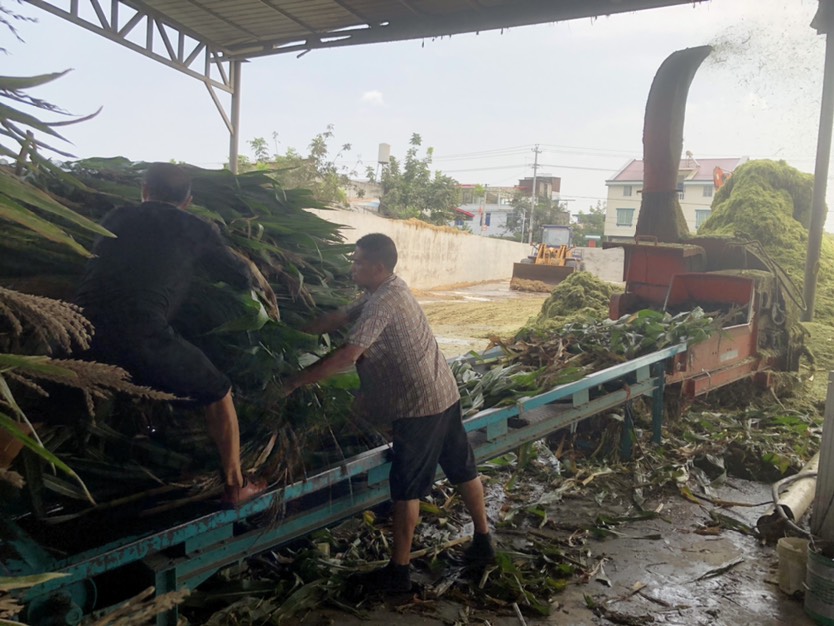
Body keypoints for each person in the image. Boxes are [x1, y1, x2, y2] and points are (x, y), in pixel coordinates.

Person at [284, 233, 495, 593]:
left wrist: (294, 382)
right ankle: (484, 541)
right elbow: (337, 318)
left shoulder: (382, 302)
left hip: (418, 407)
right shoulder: (387, 289)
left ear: (377, 267)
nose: (352, 266)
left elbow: (348, 355)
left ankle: (398, 572)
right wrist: (289, 332)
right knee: (462, 468)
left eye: (358, 261)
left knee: (405, 489)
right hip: (442, 391)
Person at [75, 162, 267, 507]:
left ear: (145, 191)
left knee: (46, 404)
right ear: (189, 200)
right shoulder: (194, 227)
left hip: (79, 325)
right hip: (142, 333)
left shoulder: (115, 217)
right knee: (218, 390)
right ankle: (236, 486)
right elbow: (238, 275)